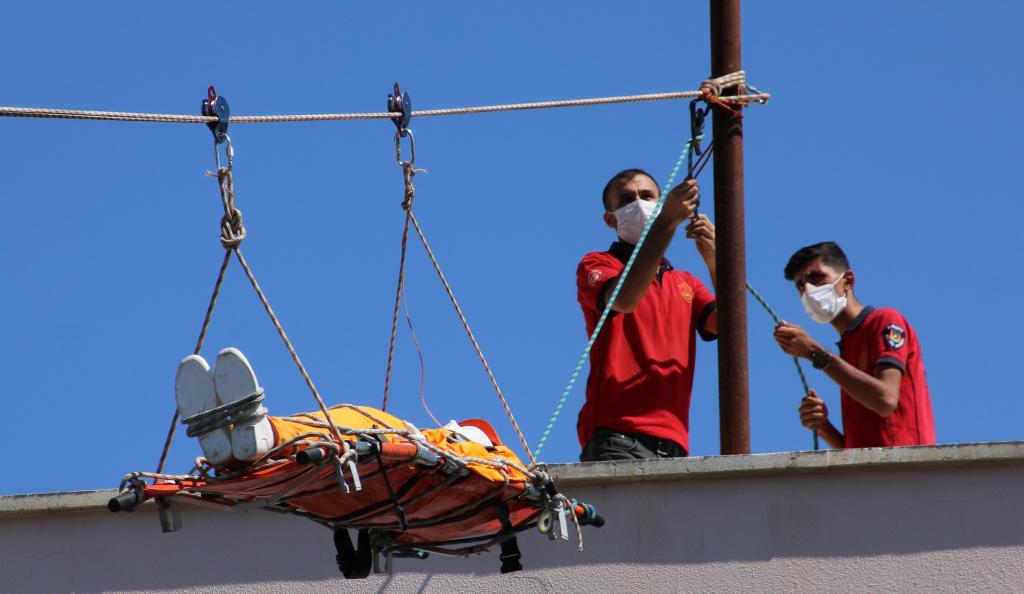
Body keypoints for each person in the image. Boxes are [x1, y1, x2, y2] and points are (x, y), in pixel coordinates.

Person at [576, 169, 718, 462]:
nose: (638, 203)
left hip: (675, 445)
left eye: (647, 196)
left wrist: (716, 260)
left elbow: (729, 327)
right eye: (627, 199)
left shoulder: (686, 282)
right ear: (610, 219)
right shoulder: (598, 264)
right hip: (617, 435)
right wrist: (666, 221)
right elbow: (625, 298)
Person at [773, 241, 936, 448]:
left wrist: (815, 352)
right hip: (872, 476)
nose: (808, 290)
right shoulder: (847, 346)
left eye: (816, 278)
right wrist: (823, 427)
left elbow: (884, 400)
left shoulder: (884, 321)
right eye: (800, 286)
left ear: (847, 280)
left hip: (908, 472)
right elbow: (859, 452)